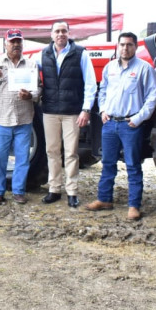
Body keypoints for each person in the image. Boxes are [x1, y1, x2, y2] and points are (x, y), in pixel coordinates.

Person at [86, 32, 156, 220]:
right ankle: (104, 199)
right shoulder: (110, 68)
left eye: (129, 45)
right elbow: (102, 91)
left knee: (133, 165)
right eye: (122, 45)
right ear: (117, 47)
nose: (125, 48)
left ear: (135, 47)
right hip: (110, 124)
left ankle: (134, 205)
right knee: (107, 163)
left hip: (130, 125)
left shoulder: (144, 69)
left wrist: (139, 118)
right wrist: (103, 111)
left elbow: (152, 96)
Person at [38, 21, 97, 208]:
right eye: (57, 31)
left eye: (64, 31)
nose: (60, 34)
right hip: (49, 112)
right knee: (52, 152)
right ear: (51, 34)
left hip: (72, 112)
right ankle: (54, 189)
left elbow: (90, 84)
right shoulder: (43, 54)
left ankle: (72, 192)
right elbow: (32, 76)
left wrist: (86, 110)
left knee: (71, 153)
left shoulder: (81, 54)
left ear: (69, 33)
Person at [0, 28, 41, 205]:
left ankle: (18, 191)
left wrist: (31, 96)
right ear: (5, 43)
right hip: (1, 119)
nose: (15, 44)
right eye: (12, 41)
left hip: (24, 118)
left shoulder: (31, 64)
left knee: (22, 158)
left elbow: (38, 88)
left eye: (18, 41)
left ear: (22, 43)